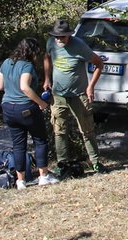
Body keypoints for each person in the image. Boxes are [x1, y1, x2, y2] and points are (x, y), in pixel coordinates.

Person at [43, 19, 105, 175]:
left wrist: (90, 87)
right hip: (58, 95)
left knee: (87, 129)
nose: (59, 40)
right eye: (56, 37)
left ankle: (95, 162)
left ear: (68, 36)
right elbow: (46, 57)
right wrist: (46, 78)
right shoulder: (51, 43)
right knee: (59, 130)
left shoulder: (79, 46)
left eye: (62, 37)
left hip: (78, 95)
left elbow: (98, 63)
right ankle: (62, 163)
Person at [0, 39, 57, 189]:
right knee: (40, 140)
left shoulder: (6, 62)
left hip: (8, 107)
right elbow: (25, 87)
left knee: (18, 145)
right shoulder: (27, 66)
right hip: (25, 108)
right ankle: (43, 176)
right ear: (32, 52)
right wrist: (41, 103)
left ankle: (20, 180)